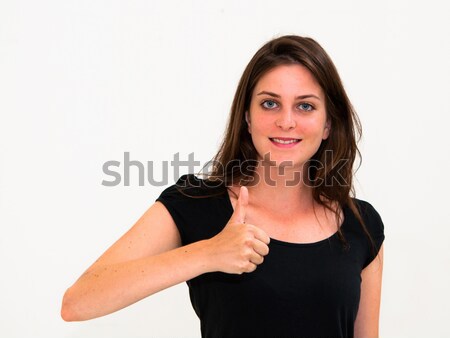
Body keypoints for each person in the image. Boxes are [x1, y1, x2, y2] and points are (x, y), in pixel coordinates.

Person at [61, 35, 384, 338]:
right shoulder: (196, 205)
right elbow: (78, 302)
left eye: (305, 106)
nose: (286, 121)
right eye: (270, 103)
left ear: (328, 124)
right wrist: (207, 253)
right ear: (246, 116)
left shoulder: (361, 226)